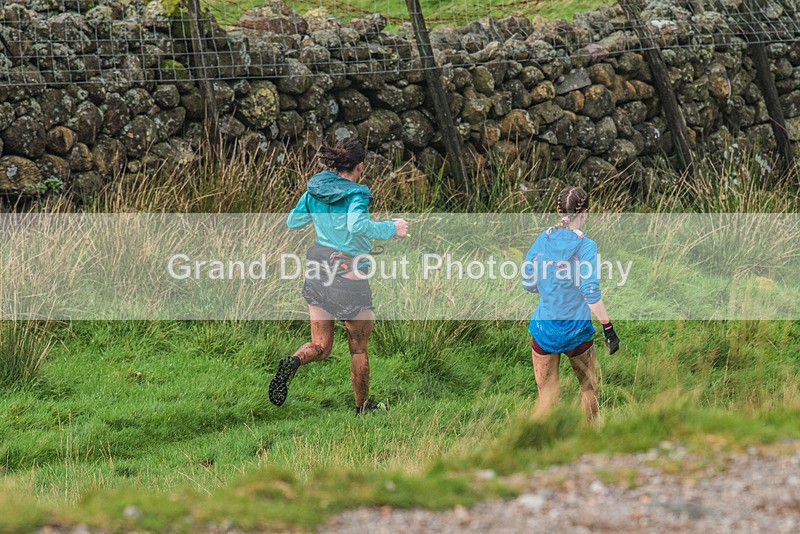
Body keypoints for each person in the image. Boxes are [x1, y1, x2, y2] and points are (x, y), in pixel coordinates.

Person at [269, 138, 408, 414]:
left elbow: (293, 221)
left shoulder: (316, 189)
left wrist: (322, 216)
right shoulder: (357, 194)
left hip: (318, 269)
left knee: (321, 345)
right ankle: (363, 407)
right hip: (348, 275)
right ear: (360, 166)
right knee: (358, 348)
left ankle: (294, 361)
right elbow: (357, 225)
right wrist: (392, 228)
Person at [521, 186, 620, 421]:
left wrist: (548, 287)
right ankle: (588, 443)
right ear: (585, 213)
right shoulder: (586, 247)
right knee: (588, 389)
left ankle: (539, 448)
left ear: (558, 211)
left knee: (546, 397)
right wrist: (608, 328)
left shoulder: (541, 241)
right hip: (577, 333)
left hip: (544, 330)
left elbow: (527, 282)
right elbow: (590, 292)